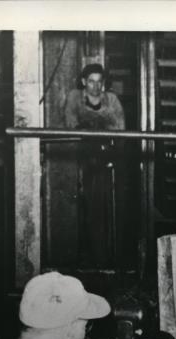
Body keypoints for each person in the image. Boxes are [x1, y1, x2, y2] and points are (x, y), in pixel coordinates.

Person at [64, 63, 126, 267]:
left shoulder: (112, 100)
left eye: (99, 82)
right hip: (80, 160)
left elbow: (121, 130)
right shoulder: (74, 97)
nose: (95, 86)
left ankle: (105, 258)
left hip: (106, 159)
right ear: (84, 82)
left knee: (103, 209)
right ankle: (84, 257)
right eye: (91, 81)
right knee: (81, 209)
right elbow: (71, 125)